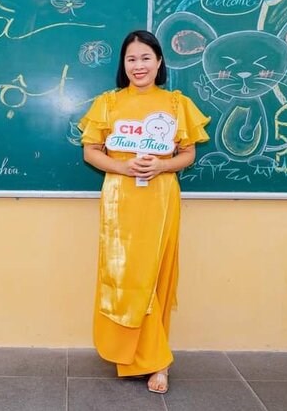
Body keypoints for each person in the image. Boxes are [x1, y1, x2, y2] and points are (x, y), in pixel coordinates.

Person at [78, 30, 210, 394]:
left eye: (146, 58)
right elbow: (91, 151)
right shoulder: (108, 103)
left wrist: (162, 166)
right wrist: (124, 167)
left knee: (155, 276)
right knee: (125, 277)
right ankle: (135, 354)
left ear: (159, 61)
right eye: (131, 59)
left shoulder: (176, 104)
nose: (139, 65)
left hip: (161, 199)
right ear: (123, 64)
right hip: (119, 199)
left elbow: (188, 153)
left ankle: (158, 363)